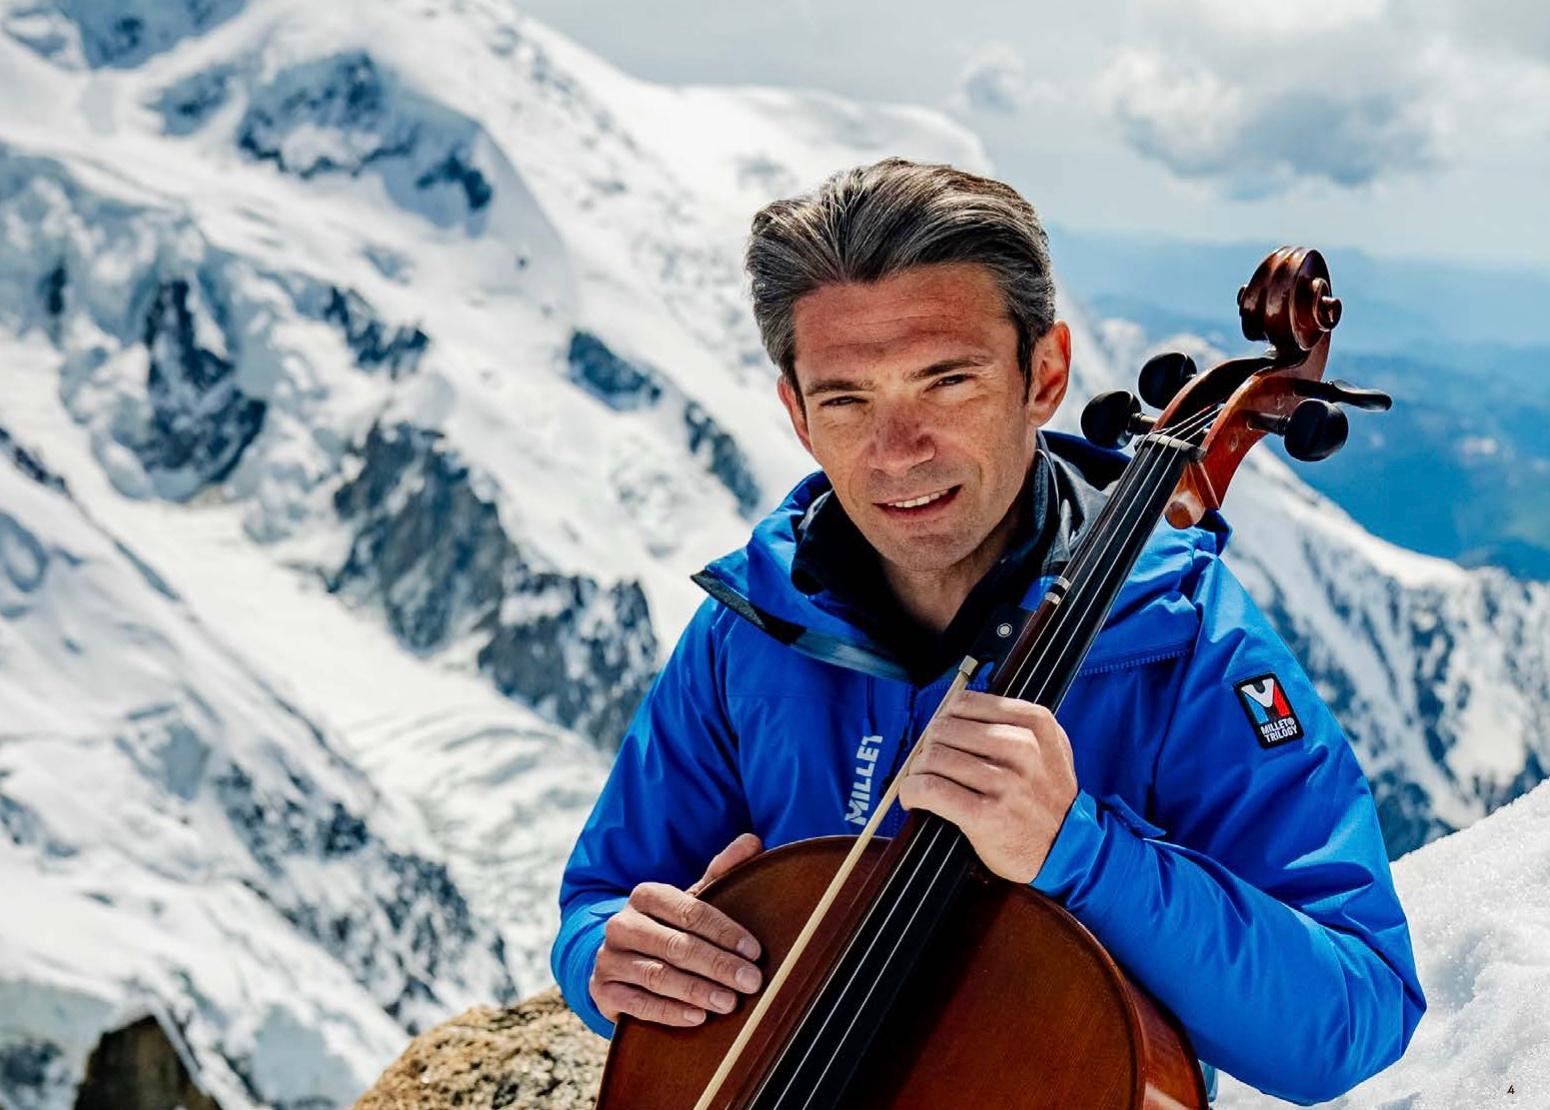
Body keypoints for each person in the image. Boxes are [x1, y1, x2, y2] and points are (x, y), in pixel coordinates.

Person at [550, 158, 1425, 1105]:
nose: (898, 451)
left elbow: (1356, 1014)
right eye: (847, 399)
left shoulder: (1184, 644)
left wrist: (1081, 851)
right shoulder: (751, 627)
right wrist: (610, 956)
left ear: (1042, 374)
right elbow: (603, 897)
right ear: (797, 414)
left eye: (947, 381)